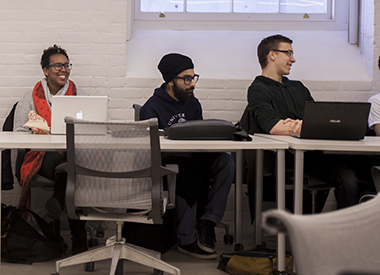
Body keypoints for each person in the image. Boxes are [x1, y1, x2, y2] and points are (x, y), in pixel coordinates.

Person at [246, 34, 363, 209]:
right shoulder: (257, 89)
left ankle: (348, 234)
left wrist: (300, 125)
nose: (293, 59)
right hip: (280, 159)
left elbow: (318, 121)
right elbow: (274, 126)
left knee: (350, 175)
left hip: (310, 156)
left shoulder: (298, 87)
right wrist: (304, 125)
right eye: (288, 53)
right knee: (346, 176)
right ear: (272, 55)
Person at [140, 53, 234, 260]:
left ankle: (208, 222)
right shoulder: (152, 107)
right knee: (188, 172)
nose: (192, 84)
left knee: (226, 161)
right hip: (168, 164)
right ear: (170, 81)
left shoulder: (192, 103)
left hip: (194, 157)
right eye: (186, 79)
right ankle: (186, 238)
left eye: (193, 78)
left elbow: (199, 136)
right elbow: (149, 149)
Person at [13, 44, 88, 255]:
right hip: (43, 157)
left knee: (72, 166)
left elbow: (93, 126)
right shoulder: (30, 97)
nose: (64, 69)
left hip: (73, 156)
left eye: (67, 65)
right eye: (58, 66)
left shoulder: (79, 95)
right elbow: (18, 132)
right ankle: (79, 236)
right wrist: (38, 134)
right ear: (45, 70)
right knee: (69, 168)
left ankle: (58, 199)